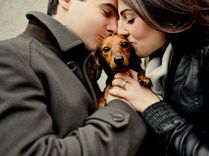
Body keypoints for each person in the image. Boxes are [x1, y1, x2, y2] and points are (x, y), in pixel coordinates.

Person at [0, 0, 147, 155]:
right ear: (66, 1)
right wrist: (122, 106)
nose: (116, 28)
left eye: (117, 18)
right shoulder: (9, 57)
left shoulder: (83, 65)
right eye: (106, 12)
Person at [107, 0, 209, 155]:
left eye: (130, 19)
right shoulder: (162, 58)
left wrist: (151, 106)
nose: (120, 31)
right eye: (119, 20)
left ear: (164, 11)